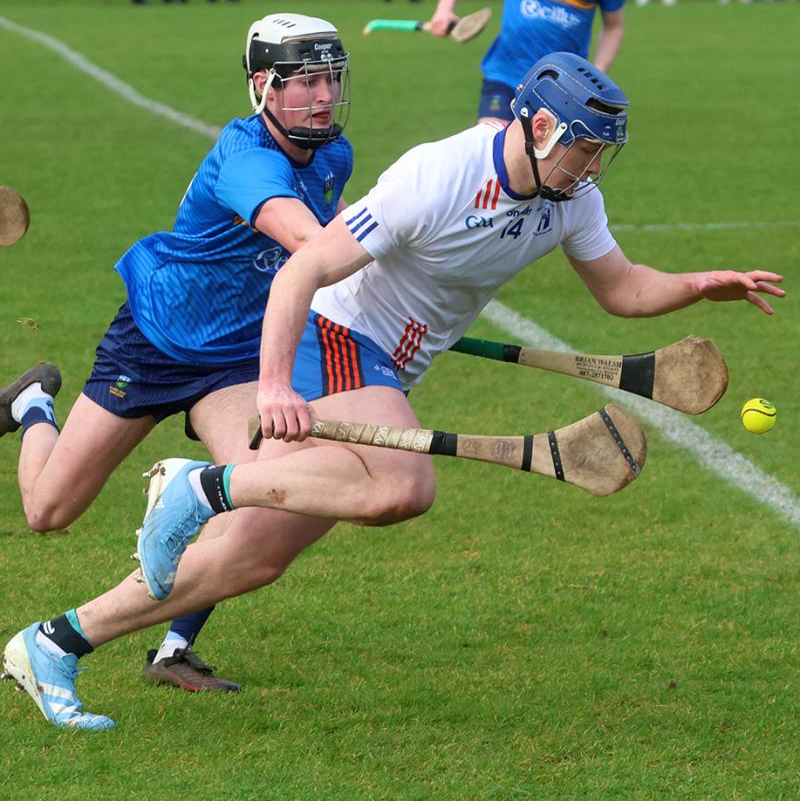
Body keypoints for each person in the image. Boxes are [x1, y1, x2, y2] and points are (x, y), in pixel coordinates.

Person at [3, 52, 785, 731]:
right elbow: (305, 269)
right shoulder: (440, 173)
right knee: (404, 486)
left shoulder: (571, 200)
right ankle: (204, 485)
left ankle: (54, 643)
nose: (590, 168)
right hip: (338, 337)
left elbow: (621, 288)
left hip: (388, 365)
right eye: (583, 149)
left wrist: (698, 285)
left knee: (246, 560)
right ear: (541, 129)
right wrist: (272, 382)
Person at [0, 12, 353, 696]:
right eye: (304, 81)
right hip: (157, 340)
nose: (322, 95)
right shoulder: (246, 159)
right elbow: (311, 244)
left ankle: (173, 647)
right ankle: (32, 404)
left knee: (249, 497)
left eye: (330, 79)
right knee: (48, 510)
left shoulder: (335, 156)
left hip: (238, 360)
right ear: (263, 86)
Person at [429, 0, 625, 124]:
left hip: (562, 87)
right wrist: (444, 10)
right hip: (505, 76)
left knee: (546, 168)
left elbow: (613, 26)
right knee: (491, 148)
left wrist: (597, 74)